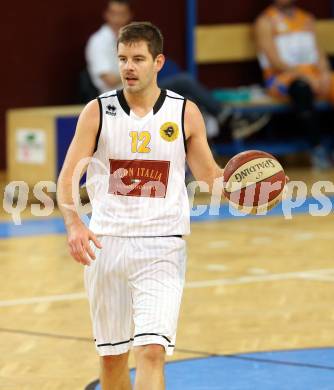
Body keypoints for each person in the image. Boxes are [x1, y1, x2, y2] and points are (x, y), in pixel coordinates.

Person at [57, 22, 223, 390]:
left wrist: (248, 191)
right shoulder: (97, 111)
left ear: (158, 62)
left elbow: (212, 177)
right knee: (113, 356)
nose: (128, 67)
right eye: (122, 59)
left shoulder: (185, 113)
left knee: (151, 350)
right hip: (107, 245)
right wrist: (74, 225)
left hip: (163, 245)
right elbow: (68, 179)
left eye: (138, 59)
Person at [85, 0, 232, 136]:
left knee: (187, 101)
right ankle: (225, 115)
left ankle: (203, 143)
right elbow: (109, 80)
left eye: (121, 14)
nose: (117, 19)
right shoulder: (98, 42)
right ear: (106, 15)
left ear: (128, 16)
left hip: (142, 90)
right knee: (183, 82)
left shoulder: (132, 39)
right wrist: (138, 68)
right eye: (123, 59)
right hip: (119, 97)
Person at [254, 0, 334, 169]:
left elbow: (318, 53)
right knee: (302, 89)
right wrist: (304, 75)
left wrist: (325, 72)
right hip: (281, 77)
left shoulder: (306, 19)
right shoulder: (265, 21)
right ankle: (317, 149)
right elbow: (274, 61)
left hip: (313, 75)